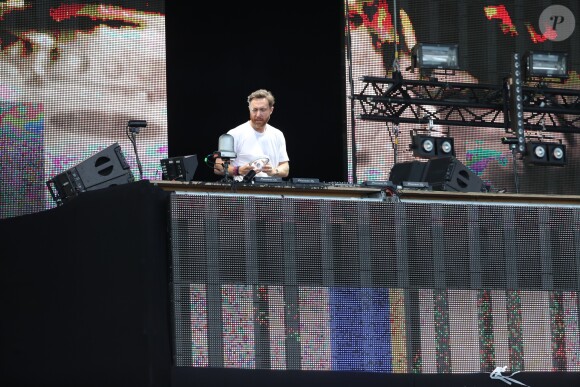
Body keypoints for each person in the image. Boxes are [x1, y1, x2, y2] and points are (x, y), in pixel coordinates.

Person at [214, 89, 290, 181]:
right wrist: (238, 170)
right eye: (254, 110)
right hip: (243, 192)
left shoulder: (278, 134)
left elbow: (285, 168)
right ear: (249, 109)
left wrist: (274, 171)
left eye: (262, 110)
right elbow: (218, 167)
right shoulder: (234, 134)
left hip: (271, 192)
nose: (258, 114)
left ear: (271, 110)